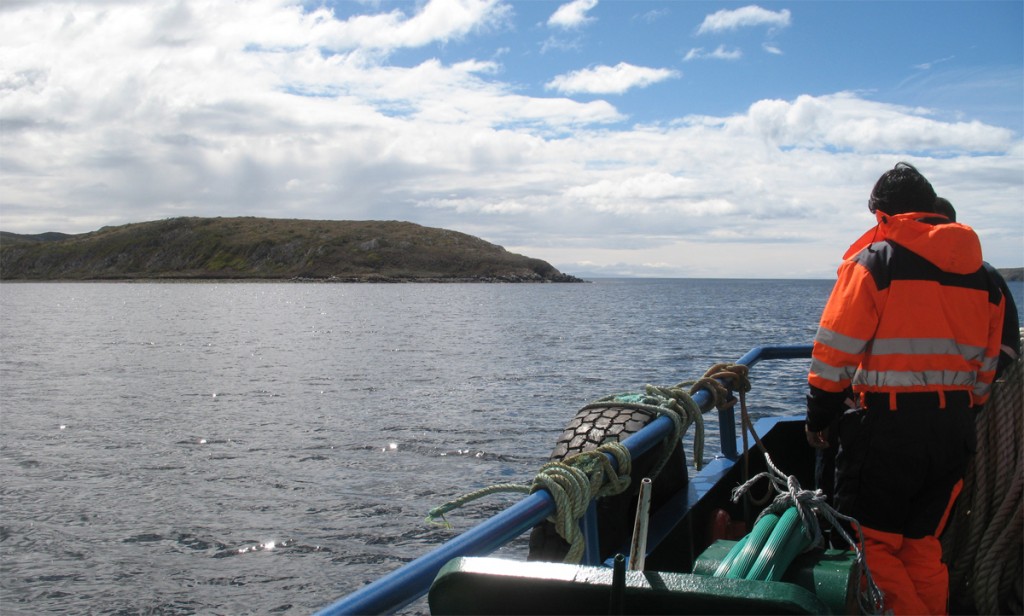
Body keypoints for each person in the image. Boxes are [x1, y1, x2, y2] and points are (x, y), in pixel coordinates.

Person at [805, 163, 1008, 615]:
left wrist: (820, 417)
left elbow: (833, 352)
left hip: (889, 430)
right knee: (921, 546)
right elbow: (987, 368)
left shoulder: (875, 263)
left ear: (883, 216)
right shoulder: (986, 280)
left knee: (871, 543)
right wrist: (960, 411)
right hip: (954, 430)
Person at [934, 196, 1021, 375]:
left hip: (966, 395)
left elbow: (1009, 342)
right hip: (954, 394)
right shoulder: (900, 273)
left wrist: (981, 381)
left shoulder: (988, 277)